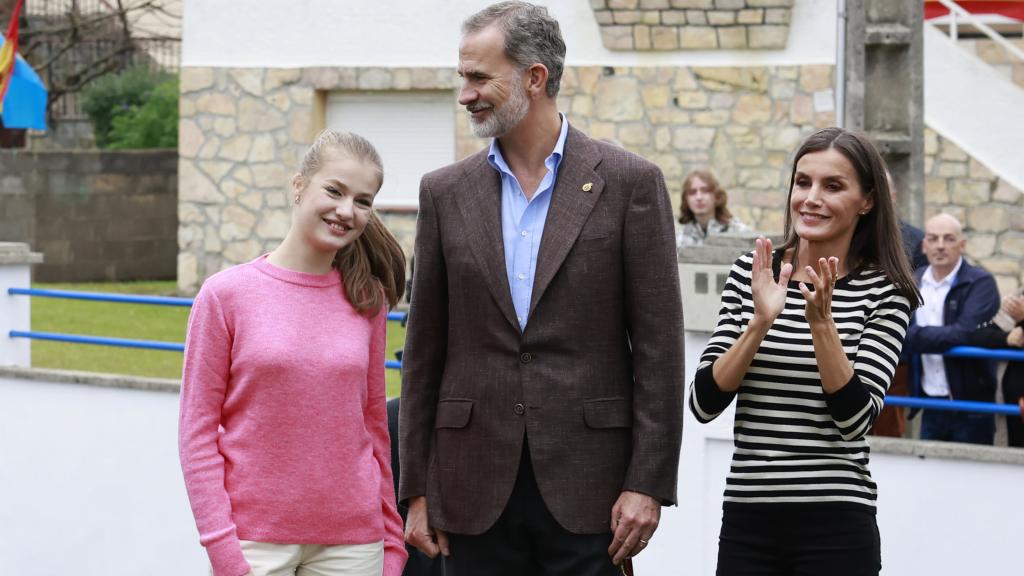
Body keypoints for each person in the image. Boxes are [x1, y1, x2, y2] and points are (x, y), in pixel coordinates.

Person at [399, 3, 685, 575]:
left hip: (592, 493)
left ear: (535, 77)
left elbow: (659, 350)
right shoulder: (443, 193)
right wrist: (416, 489)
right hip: (470, 488)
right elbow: (423, 352)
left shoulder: (631, 184)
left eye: (479, 77)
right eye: (463, 77)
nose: (465, 94)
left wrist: (647, 483)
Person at [690, 127, 919, 576]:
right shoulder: (751, 273)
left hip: (835, 523)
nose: (811, 198)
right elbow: (703, 403)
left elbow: (854, 420)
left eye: (832, 186)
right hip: (747, 517)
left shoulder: (886, 291)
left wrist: (821, 324)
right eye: (803, 182)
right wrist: (760, 322)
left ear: (867, 201)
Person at [178, 130, 408, 576]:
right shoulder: (226, 295)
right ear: (299, 185)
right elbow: (197, 434)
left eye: (363, 201)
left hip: (354, 545)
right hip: (254, 543)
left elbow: (374, 428)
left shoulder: (368, 300)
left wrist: (391, 543)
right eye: (335, 191)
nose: (346, 211)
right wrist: (222, 547)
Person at [903, 213, 1001, 445]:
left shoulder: (980, 282)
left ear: (962, 245)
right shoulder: (911, 282)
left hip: (972, 408)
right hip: (928, 403)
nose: (940, 246)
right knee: (930, 477)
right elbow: (893, 330)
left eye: (948, 239)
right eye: (933, 238)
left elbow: (964, 332)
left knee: (975, 478)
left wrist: (912, 336)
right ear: (923, 245)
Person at [968, 292, 1024, 447]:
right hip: (1010, 409)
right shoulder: (1018, 300)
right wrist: (1006, 338)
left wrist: (1022, 320)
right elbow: (976, 335)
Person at [676, 169, 748, 252]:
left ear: (716, 195)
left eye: (705, 191)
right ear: (686, 199)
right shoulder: (678, 237)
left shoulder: (736, 230)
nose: (699, 197)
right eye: (692, 192)